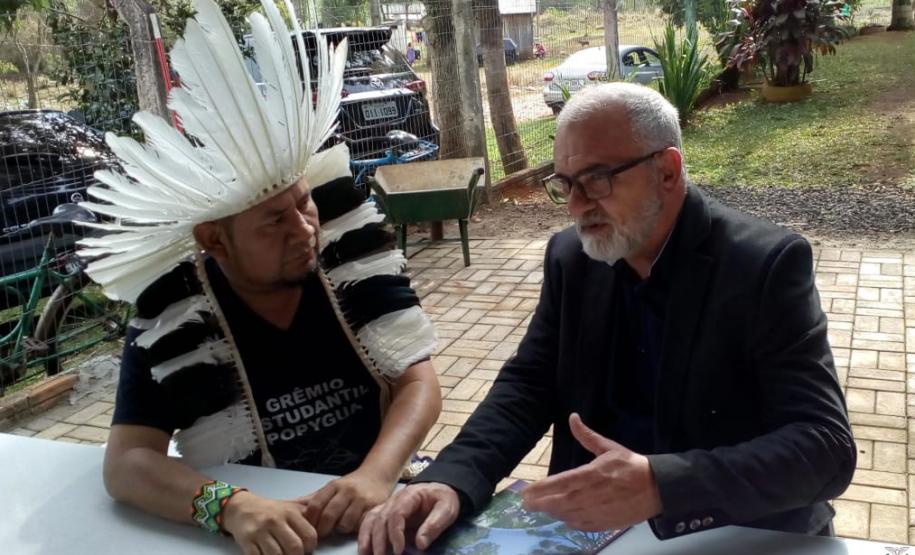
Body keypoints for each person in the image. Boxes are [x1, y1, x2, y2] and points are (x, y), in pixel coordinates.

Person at [358, 82, 856, 555]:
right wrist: (453, 476)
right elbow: (529, 386)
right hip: (593, 534)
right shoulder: (572, 259)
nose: (576, 206)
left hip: (736, 533)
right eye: (565, 184)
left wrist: (663, 483)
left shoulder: (763, 265)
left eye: (597, 180)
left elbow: (824, 448)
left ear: (667, 169)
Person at [79, 1, 440, 554]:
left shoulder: (349, 261)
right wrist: (227, 506)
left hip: (376, 504)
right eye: (275, 221)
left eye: (304, 204)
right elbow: (127, 464)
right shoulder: (175, 312)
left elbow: (419, 380)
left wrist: (377, 474)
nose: (304, 230)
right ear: (215, 240)